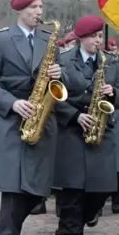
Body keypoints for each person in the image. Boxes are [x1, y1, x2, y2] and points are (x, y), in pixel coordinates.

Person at [0, 0, 65, 235]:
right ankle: (8, 224)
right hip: (12, 121)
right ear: (20, 10)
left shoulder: (49, 40)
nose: (39, 12)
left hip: (42, 121)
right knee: (13, 188)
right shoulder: (1, 39)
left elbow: (57, 85)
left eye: (41, 7)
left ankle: (7, 218)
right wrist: (12, 103)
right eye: (34, 7)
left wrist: (59, 74)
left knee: (39, 189)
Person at [53, 15, 119, 234]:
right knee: (72, 201)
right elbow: (52, 95)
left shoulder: (110, 61)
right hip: (72, 135)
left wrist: (113, 94)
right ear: (81, 38)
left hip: (101, 137)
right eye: (93, 37)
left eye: (100, 36)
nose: (98, 41)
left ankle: (87, 215)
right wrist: (75, 116)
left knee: (99, 194)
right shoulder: (63, 60)